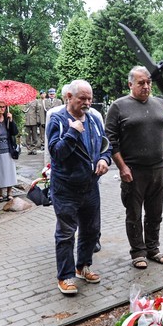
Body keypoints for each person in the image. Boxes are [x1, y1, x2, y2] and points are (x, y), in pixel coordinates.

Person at [105, 66, 163, 270]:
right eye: (141, 83)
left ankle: (152, 248)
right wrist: (122, 167)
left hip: (157, 169)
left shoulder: (160, 104)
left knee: (155, 213)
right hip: (133, 172)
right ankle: (138, 251)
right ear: (130, 84)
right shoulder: (118, 107)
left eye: (148, 82)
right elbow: (110, 141)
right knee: (134, 214)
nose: (146, 86)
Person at [48, 80, 111, 294]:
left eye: (89, 98)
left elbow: (105, 144)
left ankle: (82, 266)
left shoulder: (94, 118)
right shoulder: (57, 119)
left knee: (91, 229)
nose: (87, 102)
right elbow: (56, 153)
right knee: (66, 233)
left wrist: (104, 159)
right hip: (66, 187)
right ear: (69, 97)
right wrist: (72, 132)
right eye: (82, 98)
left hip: (90, 185)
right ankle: (65, 277)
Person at [0, 100, 19, 202]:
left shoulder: (7, 118)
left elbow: (14, 132)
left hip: (8, 148)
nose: (3, 108)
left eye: (4, 107)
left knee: (9, 171)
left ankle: (9, 192)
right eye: (0, 107)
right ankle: (0, 193)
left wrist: (11, 121)